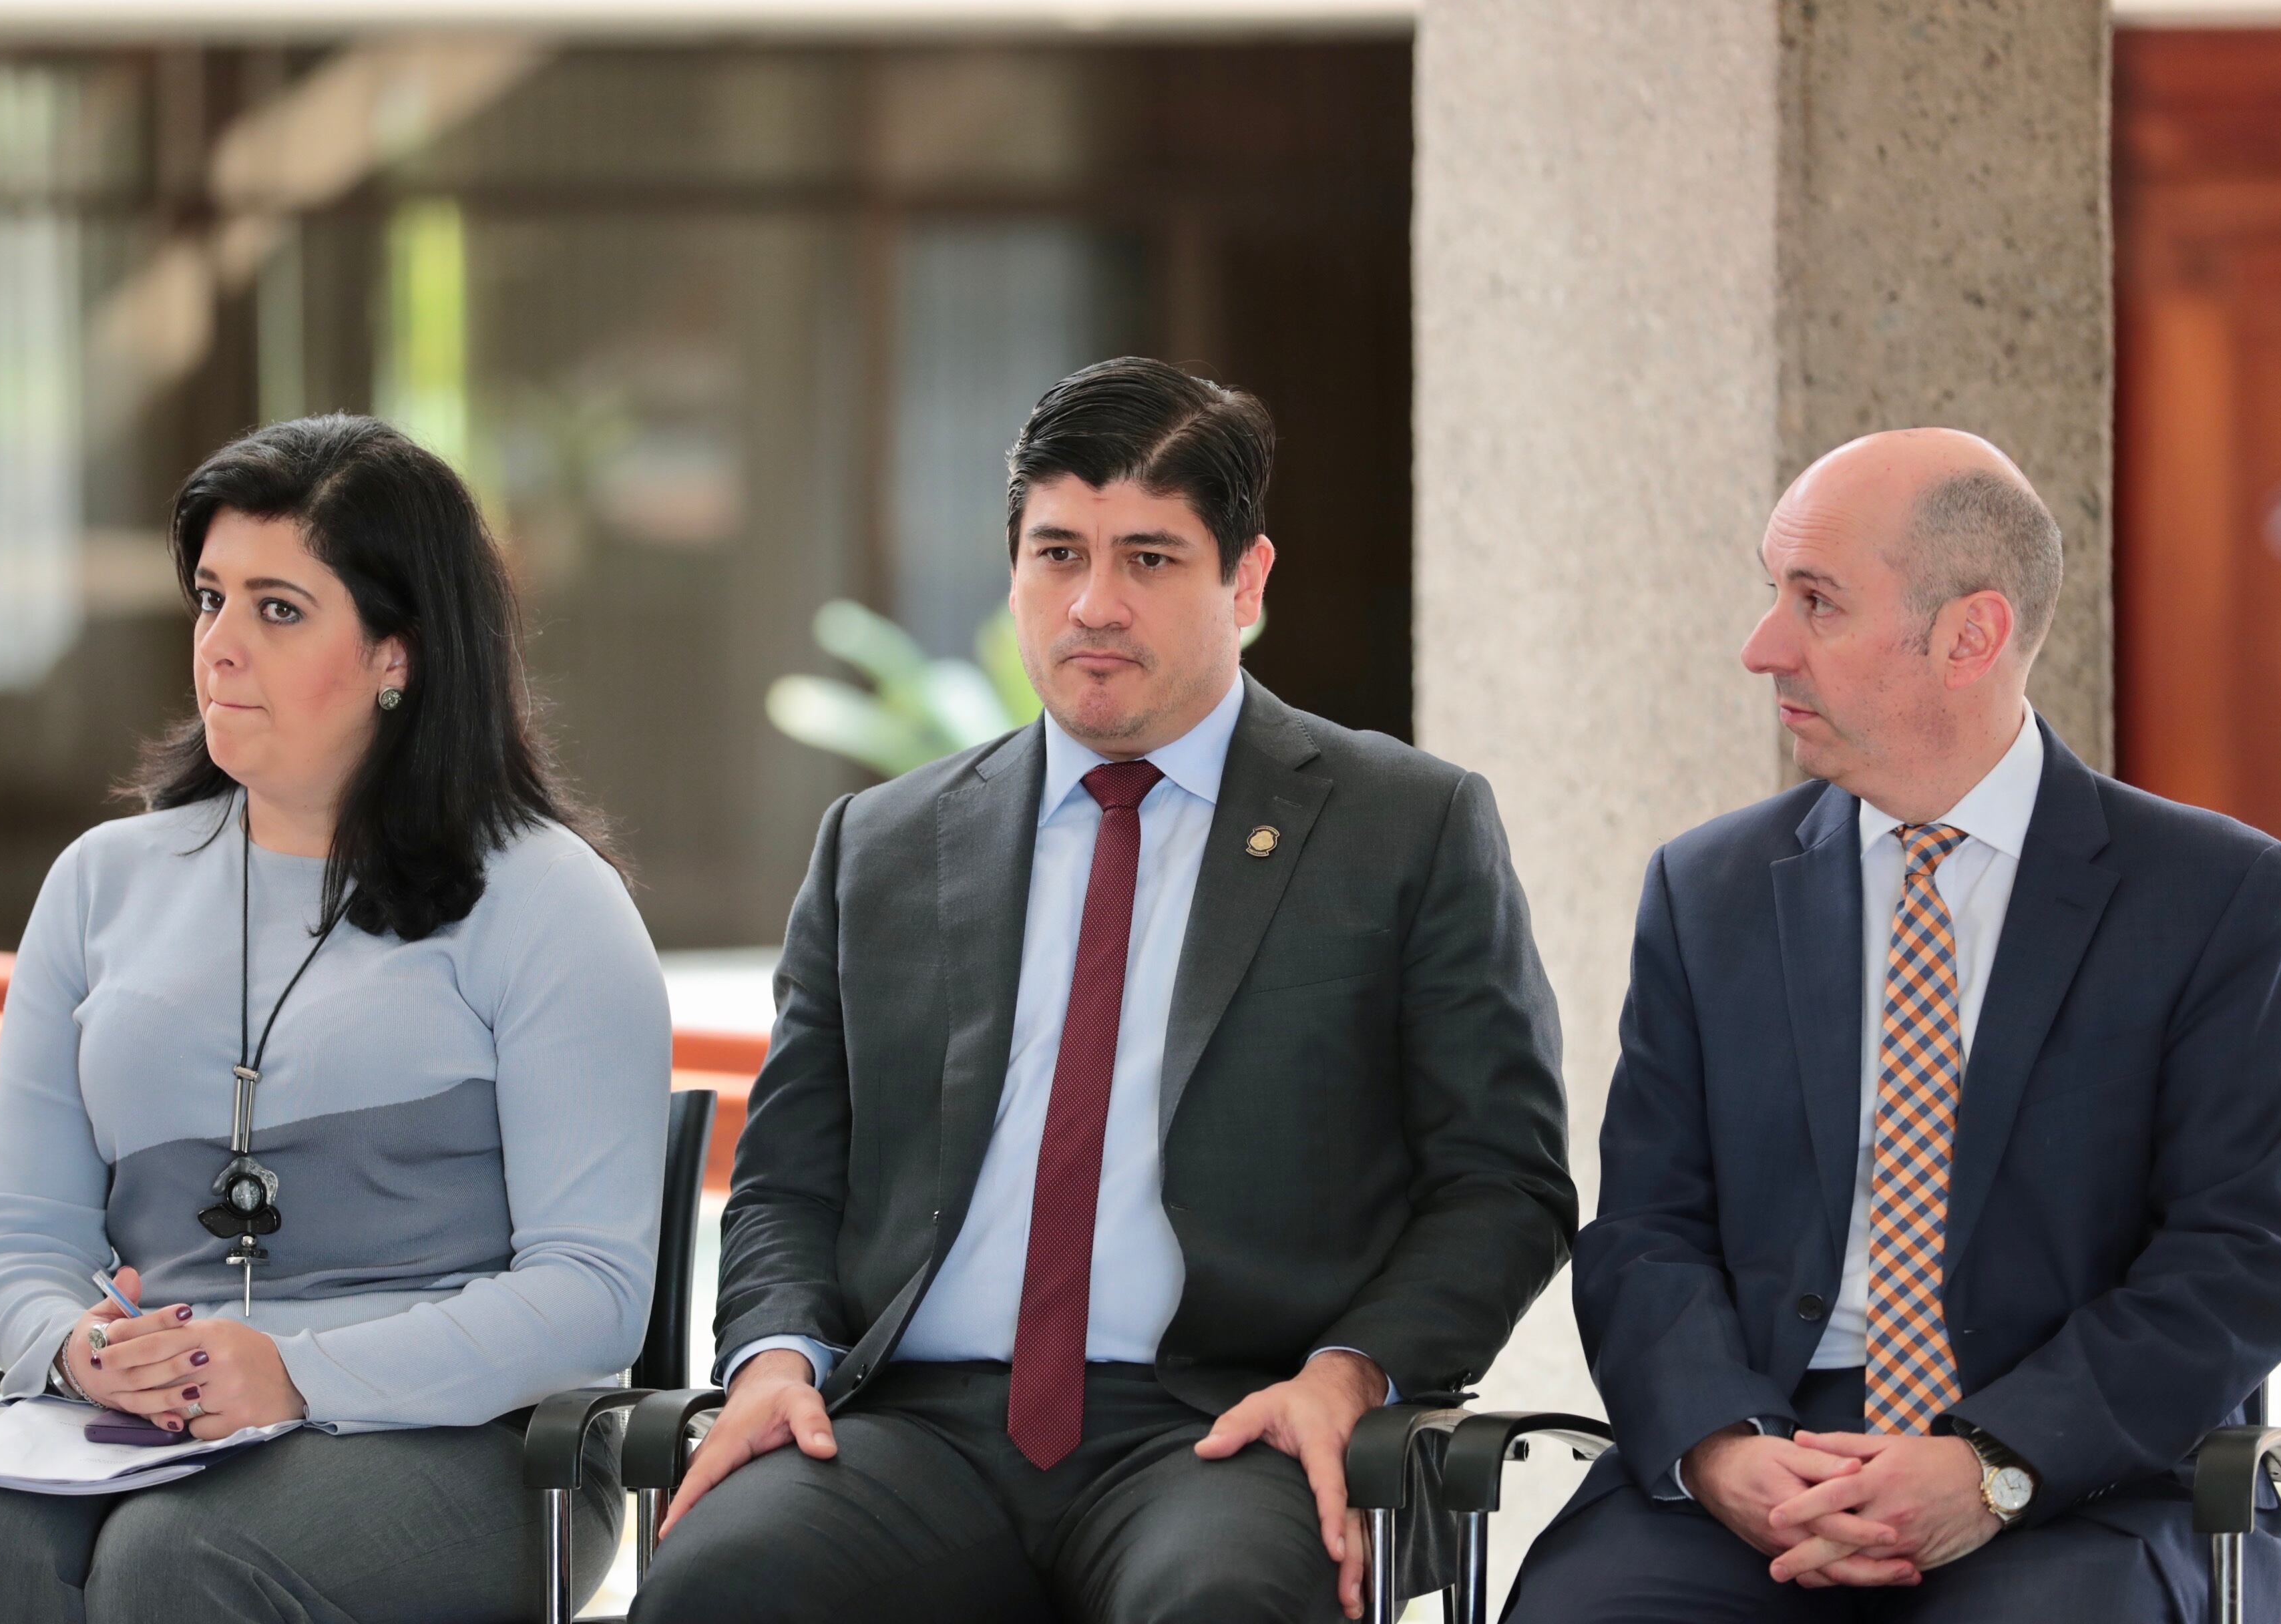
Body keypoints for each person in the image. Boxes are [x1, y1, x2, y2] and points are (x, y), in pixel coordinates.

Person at [630, 357, 1576, 1624]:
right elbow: (791, 1180)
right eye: (1059, 554)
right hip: (913, 1424)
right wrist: (773, 1359)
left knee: (1222, 1606)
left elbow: (1503, 1183)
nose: (1094, 605)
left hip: (1228, 1423)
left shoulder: (1404, 826)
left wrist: (1352, 1375)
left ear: (1246, 581)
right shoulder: (883, 843)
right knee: (718, 1588)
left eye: (1149, 558)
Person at [1504, 429, 2281, 1621]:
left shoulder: (2218, 898)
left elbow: (2244, 1253)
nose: (1762, 646)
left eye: (1817, 602)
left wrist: (1995, 1464)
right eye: (1773, 593)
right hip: (1761, 1463)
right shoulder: (1708, 890)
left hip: (2086, 1481)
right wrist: (1722, 1448)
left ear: (1970, 637)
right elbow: (1645, 1230)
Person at [0, 416, 674, 1623]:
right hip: (148, 1427)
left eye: (278, 610)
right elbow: (21, 1239)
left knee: (176, 1561)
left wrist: (296, 1375)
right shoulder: (101, 884)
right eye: (211, 599)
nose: (219, 646)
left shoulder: (547, 899)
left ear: (397, 656)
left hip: (481, 1447)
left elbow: (589, 1294)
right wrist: (74, 1349)